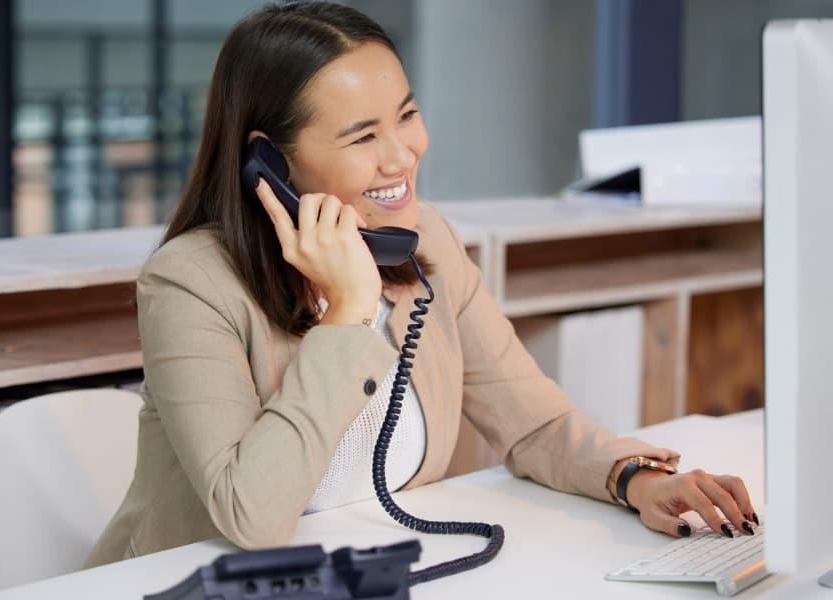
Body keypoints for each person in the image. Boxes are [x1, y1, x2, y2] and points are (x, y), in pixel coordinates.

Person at [84, 1, 757, 568]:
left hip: (365, 570)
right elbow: (251, 516)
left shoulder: (424, 242)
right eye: (363, 135)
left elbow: (536, 423)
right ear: (270, 163)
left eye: (406, 116)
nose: (404, 153)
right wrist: (347, 314)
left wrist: (634, 478)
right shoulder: (191, 283)